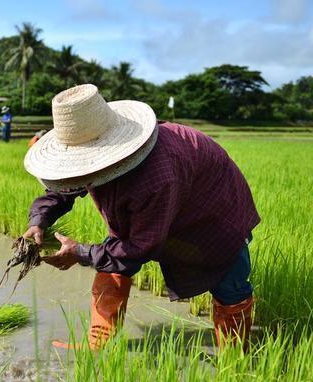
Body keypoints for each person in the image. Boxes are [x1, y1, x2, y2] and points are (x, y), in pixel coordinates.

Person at [23, 84, 259, 351]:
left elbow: (141, 246)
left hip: (214, 215)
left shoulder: (156, 177)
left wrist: (80, 252)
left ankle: (235, 358)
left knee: (229, 282)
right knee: (113, 261)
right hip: (166, 198)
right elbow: (66, 186)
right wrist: (39, 220)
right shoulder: (96, 151)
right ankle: (99, 344)